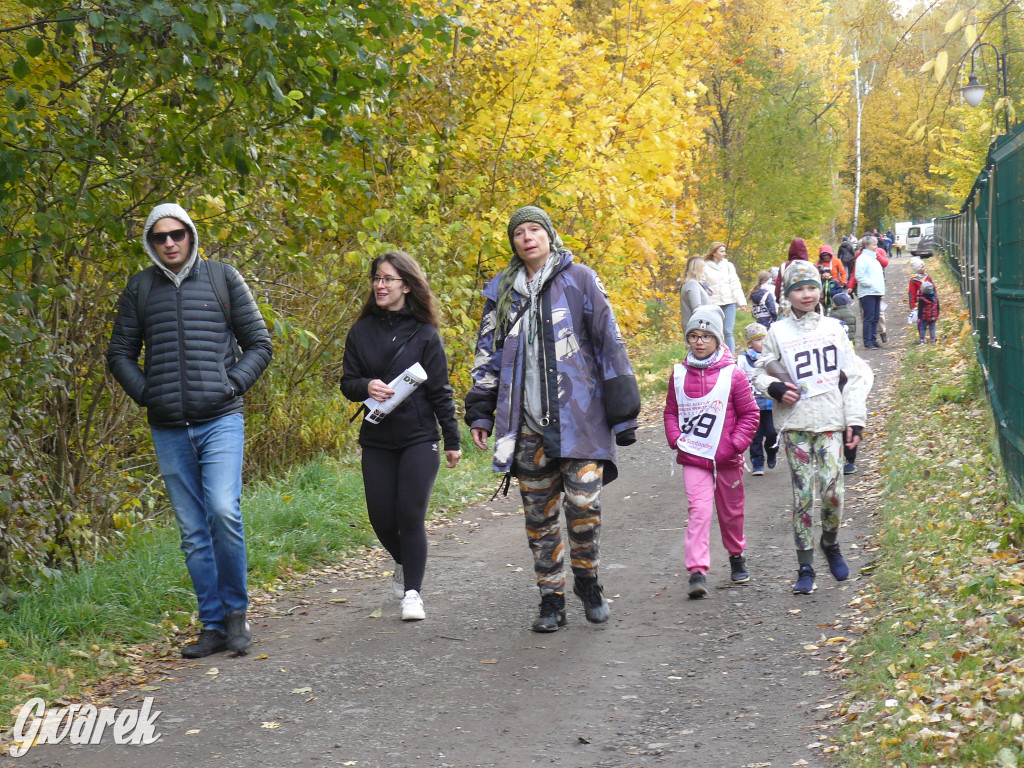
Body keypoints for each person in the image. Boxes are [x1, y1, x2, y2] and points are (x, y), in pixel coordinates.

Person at [106, 203, 273, 658]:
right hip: (168, 427)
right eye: (160, 237)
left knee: (223, 511)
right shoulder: (140, 288)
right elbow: (119, 354)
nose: (170, 243)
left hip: (221, 419)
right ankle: (213, 625)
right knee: (193, 532)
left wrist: (232, 383)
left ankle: (237, 616)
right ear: (150, 243)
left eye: (177, 233)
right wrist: (148, 394)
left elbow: (259, 343)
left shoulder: (223, 278)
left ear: (191, 234)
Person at [465, 205, 640, 632]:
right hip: (524, 423)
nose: (527, 238)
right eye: (519, 232)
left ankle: (588, 579)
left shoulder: (581, 280)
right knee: (538, 515)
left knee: (584, 504)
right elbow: (487, 354)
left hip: (580, 416)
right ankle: (551, 599)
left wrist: (624, 411)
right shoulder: (501, 293)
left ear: (548, 235)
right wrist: (479, 412)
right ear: (513, 243)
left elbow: (608, 340)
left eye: (534, 230)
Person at [341, 251, 462, 622]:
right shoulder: (360, 332)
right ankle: (403, 560)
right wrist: (366, 386)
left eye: (387, 279)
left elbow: (441, 390)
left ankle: (413, 594)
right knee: (380, 517)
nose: (379, 285)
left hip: (419, 437)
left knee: (410, 515)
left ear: (406, 286)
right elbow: (348, 383)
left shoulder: (426, 334)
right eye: (376, 278)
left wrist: (452, 439)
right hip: (377, 438)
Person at [752, 262, 867, 595]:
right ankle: (804, 565)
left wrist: (855, 419)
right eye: (799, 289)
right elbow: (760, 372)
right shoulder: (777, 332)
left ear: (820, 291)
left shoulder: (834, 329)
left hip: (831, 421)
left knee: (833, 491)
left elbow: (854, 377)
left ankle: (829, 543)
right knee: (803, 496)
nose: (807, 294)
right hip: (795, 424)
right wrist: (773, 387)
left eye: (812, 287)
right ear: (787, 294)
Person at [664, 306, 759, 598]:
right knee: (699, 511)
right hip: (694, 456)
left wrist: (735, 444)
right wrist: (676, 438)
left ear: (718, 340)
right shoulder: (679, 374)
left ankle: (736, 555)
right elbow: (670, 411)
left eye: (706, 336)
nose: (699, 342)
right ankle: (697, 571)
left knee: (731, 512)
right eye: (693, 336)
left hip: (727, 457)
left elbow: (750, 414)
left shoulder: (734, 375)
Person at [736, 323, 778, 476]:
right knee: (755, 436)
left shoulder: (773, 358)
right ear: (750, 343)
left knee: (772, 433)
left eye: (765, 339)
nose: (762, 343)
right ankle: (757, 463)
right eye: (758, 340)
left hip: (770, 405)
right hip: (752, 407)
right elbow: (737, 380)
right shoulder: (743, 361)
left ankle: (772, 452)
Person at [702, 242, 747, 353]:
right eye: (722, 251)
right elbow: (702, 283)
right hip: (713, 304)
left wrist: (741, 301)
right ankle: (715, 355)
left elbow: (735, 283)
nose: (724, 254)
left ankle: (730, 357)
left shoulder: (728, 266)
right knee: (715, 331)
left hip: (729, 302)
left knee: (728, 331)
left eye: (724, 251)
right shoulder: (705, 266)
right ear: (714, 253)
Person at [847, 235, 887, 349]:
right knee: (869, 317)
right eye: (874, 245)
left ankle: (873, 340)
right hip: (867, 292)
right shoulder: (862, 258)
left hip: (876, 291)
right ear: (867, 246)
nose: (876, 247)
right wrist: (870, 284)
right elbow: (859, 275)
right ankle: (868, 341)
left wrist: (879, 288)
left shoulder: (874, 258)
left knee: (875, 317)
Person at [774, 237, 812, 302]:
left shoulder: (784, 267)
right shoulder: (811, 266)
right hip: (809, 302)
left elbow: (778, 288)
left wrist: (779, 300)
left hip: (789, 304)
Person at [679, 255, 711, 331]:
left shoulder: (697, 283)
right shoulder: (692, 284)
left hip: (699, 325)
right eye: (703, 267)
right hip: (696, 326)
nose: (704, 269)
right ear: (697, 268)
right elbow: (697, 308)